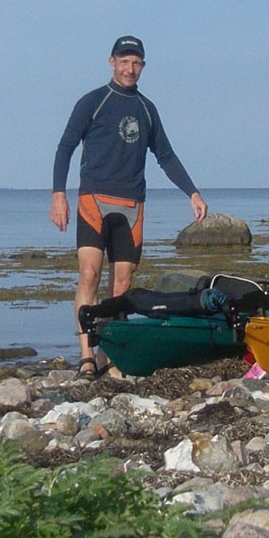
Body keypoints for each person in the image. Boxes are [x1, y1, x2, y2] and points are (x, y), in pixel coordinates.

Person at [51, 35, 208, 378]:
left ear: (143, 66)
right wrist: (58, 194)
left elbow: (165, 155)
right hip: (94, 199)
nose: (130, 68)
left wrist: (192, 193)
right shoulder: (94, 102)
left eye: (136, 62)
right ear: (112, 62)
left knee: (121, 286)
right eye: (124, 61)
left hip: (132, 204)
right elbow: (65, 146)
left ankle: (108, 355)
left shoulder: (147, 109)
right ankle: (86, 355)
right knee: (89, 274)